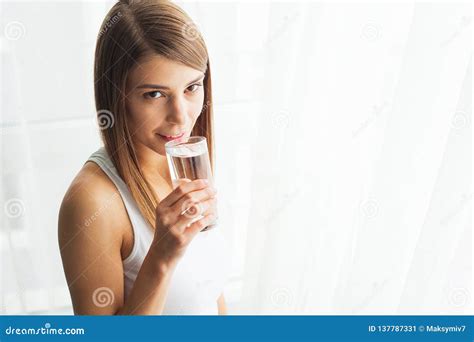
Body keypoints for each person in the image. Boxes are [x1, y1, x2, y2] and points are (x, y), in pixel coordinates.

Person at [58, 0, 229, 315]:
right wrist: (161, 259)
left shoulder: (183, 162)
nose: (180, 117)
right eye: (155, 94)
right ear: (116, 95)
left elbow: (211, 297)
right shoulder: (92, 202)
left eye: (192, 87)